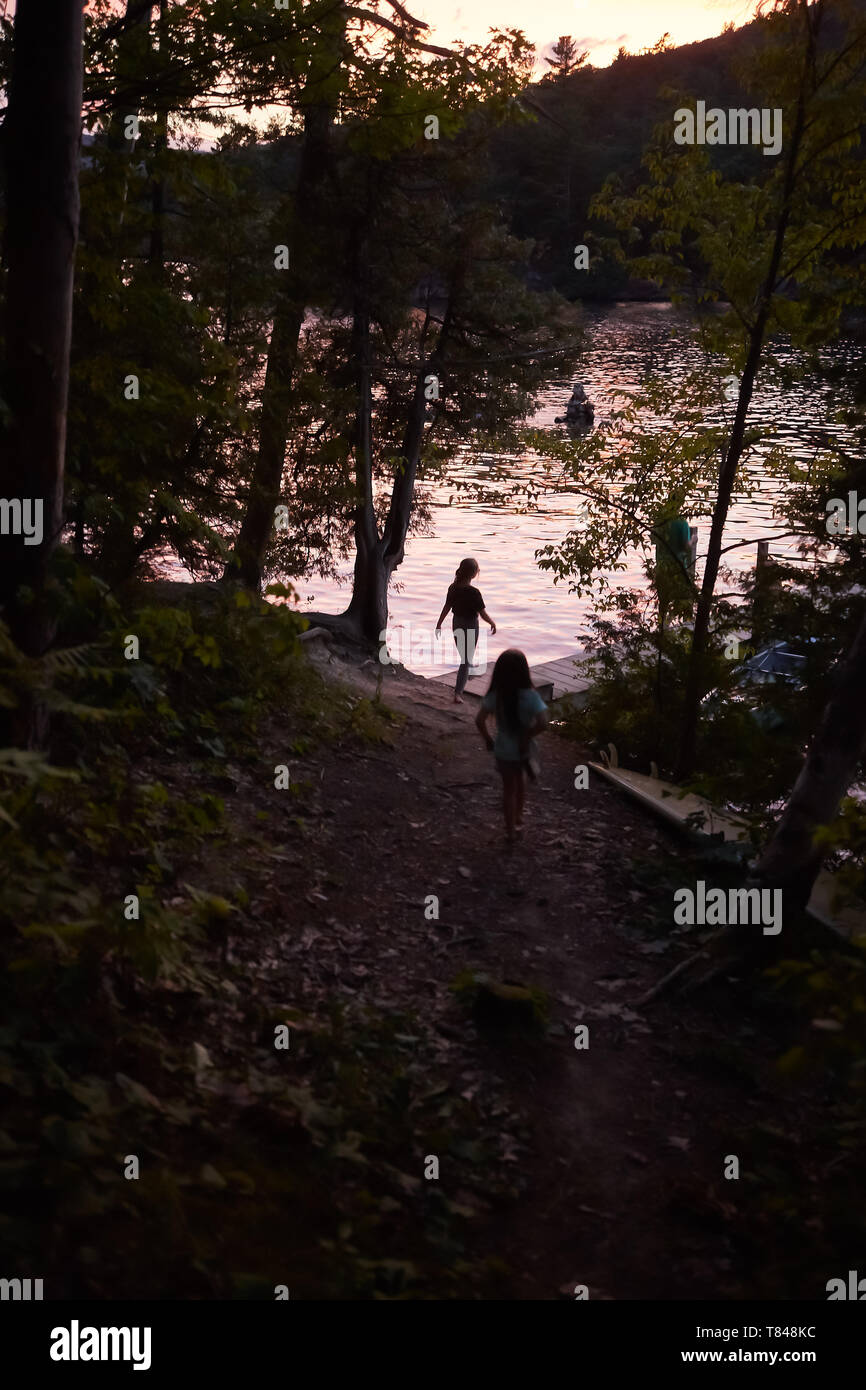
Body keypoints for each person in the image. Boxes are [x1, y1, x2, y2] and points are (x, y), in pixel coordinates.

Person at [475, 649, 548, 842]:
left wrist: (488, 739)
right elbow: (543, 723)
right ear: (525, 672)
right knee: (520, 783)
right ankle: (518, 818)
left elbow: (479, 720)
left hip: (503, 750)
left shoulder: (496, 695)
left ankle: (510, 831)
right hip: (523, 750)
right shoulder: (532, 697)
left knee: (508, 789)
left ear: (499, 672)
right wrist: (527, 734)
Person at [436, 558, 496, 703]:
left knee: (465, 657)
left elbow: (446, 607)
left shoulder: (453, 588)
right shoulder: (474, 592)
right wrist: (492, 622)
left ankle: (469, 671)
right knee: (466, 659)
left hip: (456, 622)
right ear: (474, 573)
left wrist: (438, 624)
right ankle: (458, 693)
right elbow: (482, 614)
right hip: (470, 625)